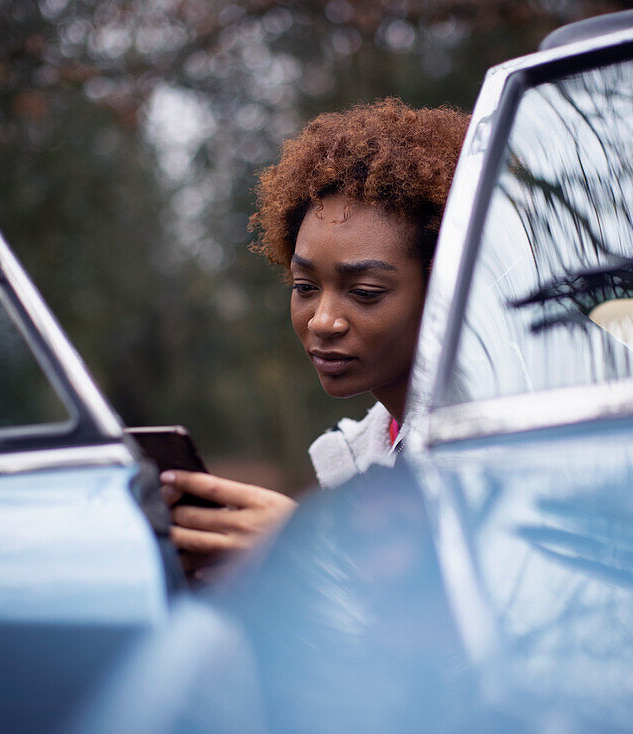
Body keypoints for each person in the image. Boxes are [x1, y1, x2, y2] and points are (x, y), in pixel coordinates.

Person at [160, 98, 470, 582]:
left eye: (364, 292)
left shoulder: (503, 447)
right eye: (304, 287)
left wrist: (305, 551)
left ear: (446, 288)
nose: (323, 321)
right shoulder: (360, 454)